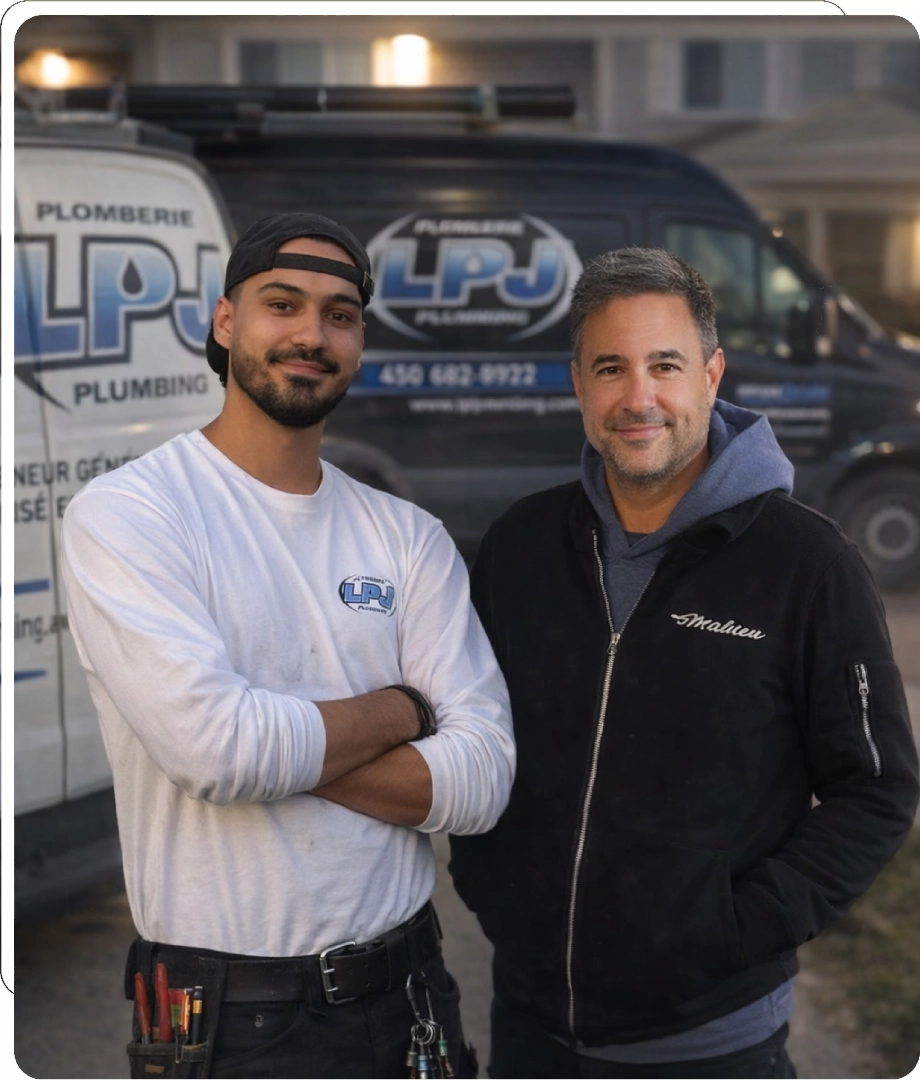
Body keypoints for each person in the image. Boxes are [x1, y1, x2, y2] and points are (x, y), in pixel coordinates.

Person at [61, 212, 514, 1080]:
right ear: (226, 321)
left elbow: (482, 780)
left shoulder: (406, 537)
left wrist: (265, 741)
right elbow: (217, 751)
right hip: (230, 1018)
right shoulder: (131, 515)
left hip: (411, 993)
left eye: (340, 315)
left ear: (359, 344)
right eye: (283, 304)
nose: (312, 334)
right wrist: (405, 710)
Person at [448, 247, 920, 1080]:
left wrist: (737, 928)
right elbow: (471, 730)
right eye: (611, 368)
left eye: (664, 365)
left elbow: (875, 790)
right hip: (529, 1027)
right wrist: (492, 885)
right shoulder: (522, 545)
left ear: (711, 375)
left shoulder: (806, 565)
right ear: (578, 385)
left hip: (713, 1041)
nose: (639, 398)